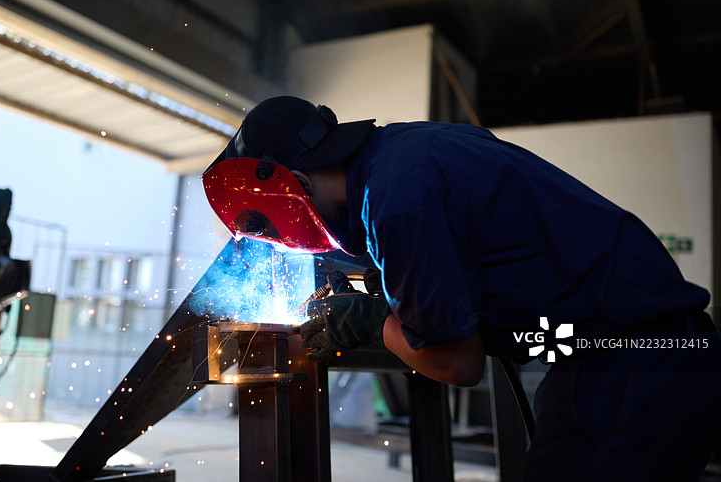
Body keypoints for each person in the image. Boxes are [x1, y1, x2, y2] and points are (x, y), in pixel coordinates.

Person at [202, 95, 721, 481]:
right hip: (635, 352)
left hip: (635, 362)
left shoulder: (399, 202)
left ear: (296, 183)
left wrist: (369, 320)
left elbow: (459, 364)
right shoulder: (401, 155)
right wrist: (384, 293)